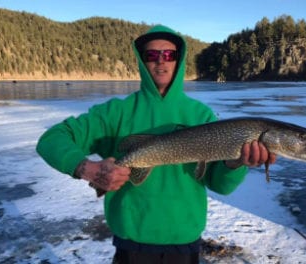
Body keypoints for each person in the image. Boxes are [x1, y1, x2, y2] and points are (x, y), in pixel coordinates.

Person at [36, 25, 276, 264]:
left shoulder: (200, 115)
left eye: (169, 55)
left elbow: (220, 185)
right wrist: (87, 169)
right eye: (152, 55)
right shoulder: (115, 113)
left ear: (178, 60)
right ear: (142, 61)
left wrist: (236, 164)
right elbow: (51, 139)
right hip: (132, 245)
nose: (161, 62)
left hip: (185, 244)